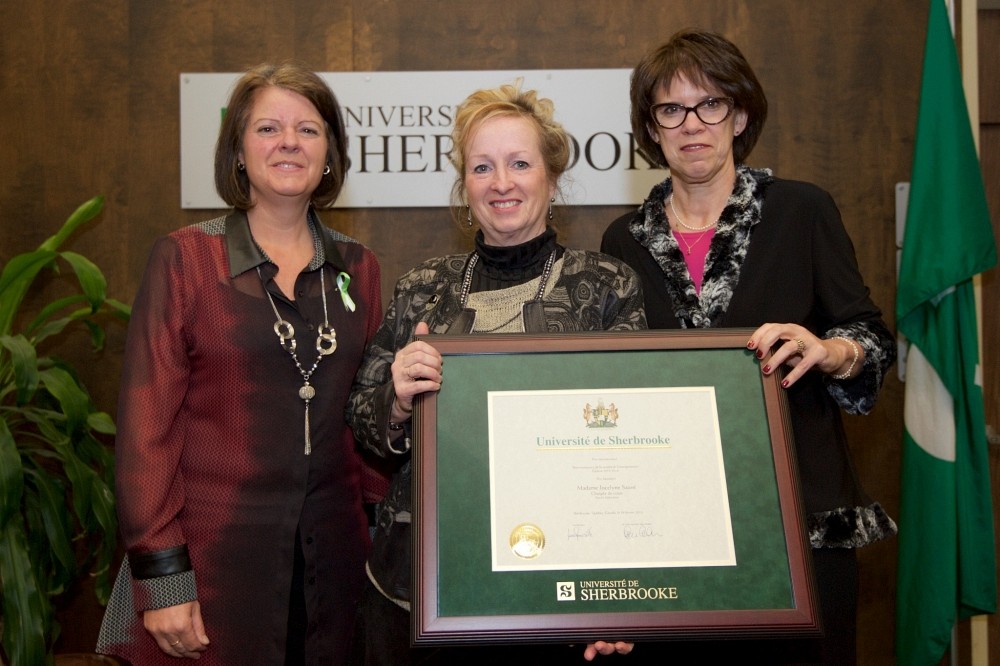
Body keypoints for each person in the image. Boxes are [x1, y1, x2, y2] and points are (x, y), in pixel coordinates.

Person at [601, 29, 897, 664]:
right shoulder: (623, 240)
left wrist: (829, 350)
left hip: (800, 516)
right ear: (651, 130)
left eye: (711, 104)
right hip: (672, 527)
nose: (692, 124)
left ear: (739, 115)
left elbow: (870, 337)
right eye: (670, 109)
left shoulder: (801, 210)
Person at [347, 82, 645, 665]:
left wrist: (620, 592)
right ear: (465, 186)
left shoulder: (607, 287)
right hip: (419, 588)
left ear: (552, 179)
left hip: (562, 592)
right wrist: (398, 399)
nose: (501, 182)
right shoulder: (422, 289)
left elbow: (630, 449)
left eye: (519, 163)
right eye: (482, 166)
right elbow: (362, 421)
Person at [96, 62, 384, 665]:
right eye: (268, 128)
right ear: (238, 152)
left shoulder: (361, 269)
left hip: (335, 569)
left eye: (308, 129)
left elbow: (370, 419)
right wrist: (165, 579)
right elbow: (147, 432)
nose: (288, 143)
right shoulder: (184, 260)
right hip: (212, 567)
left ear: (330, 152)